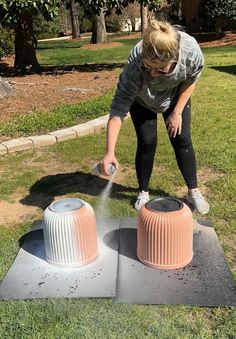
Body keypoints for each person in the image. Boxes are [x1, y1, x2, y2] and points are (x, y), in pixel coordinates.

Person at [99, 20, 210, 214]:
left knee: (182, 139)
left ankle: (194, 191)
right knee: (147, 142)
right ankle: (143, 191)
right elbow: (117, 111)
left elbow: (191, 79)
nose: (152, 74)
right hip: (142, 100)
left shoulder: (190, 52)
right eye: (148, 67)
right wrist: (109, 152)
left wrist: (176, 112)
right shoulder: (135, 66)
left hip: (175, 97)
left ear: (175, 58)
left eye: (160, 70)